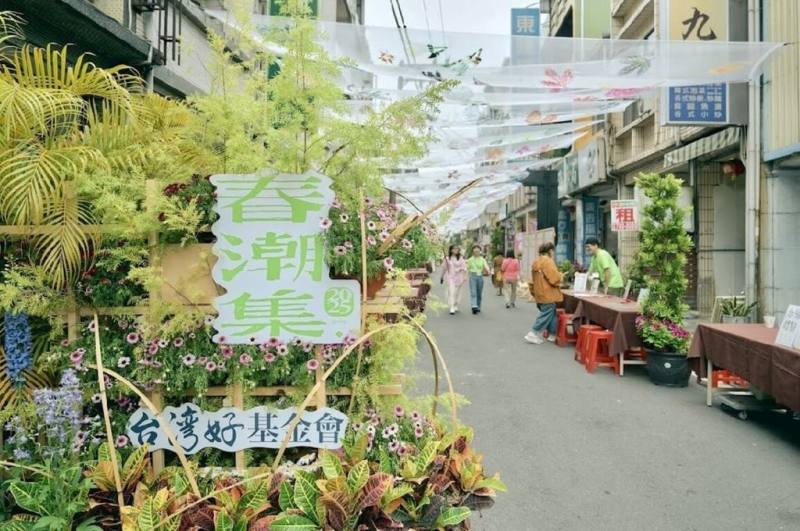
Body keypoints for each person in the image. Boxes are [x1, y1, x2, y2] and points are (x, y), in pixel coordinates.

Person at [524, 242, 563, 344]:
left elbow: (532, 281)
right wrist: (560, 276)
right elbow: (554, 279)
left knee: (551, 313)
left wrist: (534, 293)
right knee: (546, 314)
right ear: (550, 251)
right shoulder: (548, 262)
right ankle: (533, 333)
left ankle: (552, 334)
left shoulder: (536, 262)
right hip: (548, 293)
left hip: (539, 293)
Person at [441, 245, 467, 315]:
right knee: (452, 292)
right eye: (454, 248)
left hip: (459, 277)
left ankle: (455, 304)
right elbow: (444, 268)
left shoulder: (461, 258)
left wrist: (465, 276)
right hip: (450, 277)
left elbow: (464, 268)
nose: (456, 250)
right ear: (451, 250)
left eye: (457, 248)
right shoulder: (447, 258)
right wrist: (442, 276)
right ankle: (451, 307)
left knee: (458, 293)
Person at [466, 245, 490, 314]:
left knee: (479, 293)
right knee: (473, 292)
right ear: (473, 251)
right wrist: (465, 276)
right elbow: (467, 268)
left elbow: (486, 266)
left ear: (480, 251)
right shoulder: (470, 259)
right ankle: (474, 306)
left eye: (478, 250)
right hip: (472, 276)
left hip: (480, 277)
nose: (476, 251)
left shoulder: (482, 259)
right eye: (475, 250)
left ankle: (478, 306)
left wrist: (488, 270)